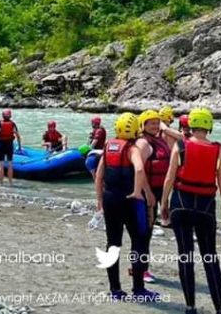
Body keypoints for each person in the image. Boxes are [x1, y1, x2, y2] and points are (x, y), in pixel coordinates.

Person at [161, 108, 221, 314]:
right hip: (206, 207)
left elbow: (170, 177)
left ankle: (190, 306)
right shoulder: (218, 149)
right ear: (209, 126)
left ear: (190, 125)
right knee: (210, 256)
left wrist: (164, 203)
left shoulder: (181, 145)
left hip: (181, 205)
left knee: (185, 255)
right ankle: (220, 308)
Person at [94, 112, 157, 302]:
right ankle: (138, 289)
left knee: (113, 243)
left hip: (110, 198)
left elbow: (99, 176)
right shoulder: (132, 148)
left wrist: (99, 200)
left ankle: (115, 289)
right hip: (130, 200)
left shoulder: (108, 146)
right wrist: (138, 192)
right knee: (139, 240)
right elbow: (139, 169)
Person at [136, 109, 170, 284]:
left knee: (146, 232)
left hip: (156, 192)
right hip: (146, 193)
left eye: (157, 122)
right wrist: (148, 193)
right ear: (143, 125)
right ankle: (142, 270)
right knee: (144, 232)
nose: (155, 125)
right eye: (151, 123)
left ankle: (140, 268)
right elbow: (139, 169)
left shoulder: (160, 140)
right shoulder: (143, 143)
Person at [0, 109, 22, 185]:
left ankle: (1, 183)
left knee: (1, 165)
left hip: (1, 145)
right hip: (9, 145)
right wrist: (19, 145)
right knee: (10, 165)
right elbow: (17, 135)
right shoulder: (12, 124)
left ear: (3, 115)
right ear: (10, 116)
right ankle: (10, 183)